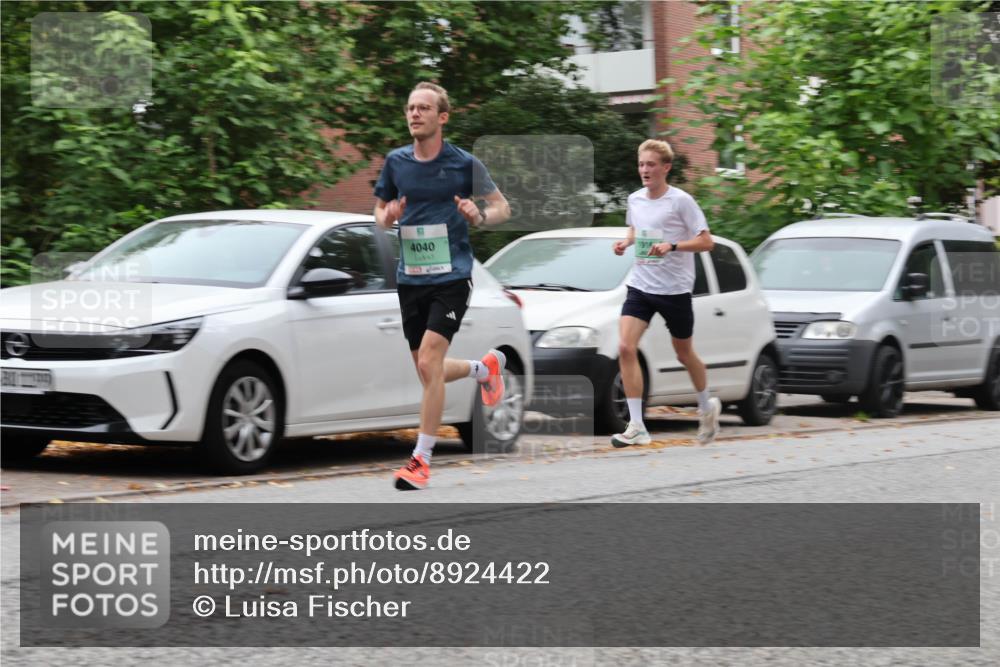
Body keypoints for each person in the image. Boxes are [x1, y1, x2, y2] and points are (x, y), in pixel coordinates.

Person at [374, 82, 512, 490]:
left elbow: (502, 207)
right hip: (410, 278)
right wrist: (386, 216)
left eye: (423, 108)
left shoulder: (463, 163)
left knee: (429, 362)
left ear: (442, 116)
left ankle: (420, 461)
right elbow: (379, 212)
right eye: (410, 108)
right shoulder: (396, 162)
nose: (415, 114)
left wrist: (479, 215)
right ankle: (483, 369)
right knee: (427, 368)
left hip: (451, 277)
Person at [611, 139, 721, 447]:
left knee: (684, 353)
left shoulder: (681, 201)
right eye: (641, 164)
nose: (644, 170)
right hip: (641, 285)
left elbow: (706, 242)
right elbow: (636, 229)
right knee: (625, 347)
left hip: (674, 289)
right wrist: (626, 242)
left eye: (651, 164)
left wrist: (672, 246)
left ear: (666, 168)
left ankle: (706, 407)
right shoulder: (635, 199)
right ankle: (636, 425)